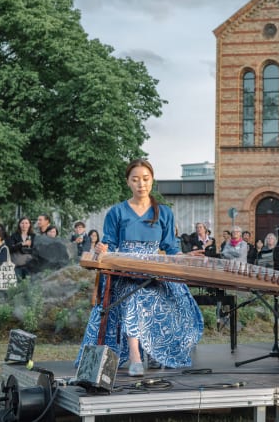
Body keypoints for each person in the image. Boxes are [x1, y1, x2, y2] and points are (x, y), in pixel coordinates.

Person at [76, 159, 203, 377]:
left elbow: (170, 247)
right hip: (124, 273)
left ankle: (155, 350)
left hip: (154, 272)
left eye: (145, 179)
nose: (141, 184)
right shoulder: (117, 212)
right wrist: (102, 248)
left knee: (167, 297)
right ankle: (135, 356)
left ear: (152, 181)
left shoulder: (163, 212)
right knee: (133, 297)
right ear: (128, 183)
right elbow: (110, 245)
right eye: (135, 180)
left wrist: (184, 256)